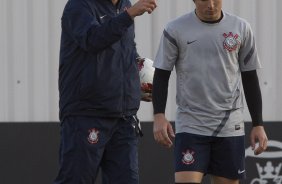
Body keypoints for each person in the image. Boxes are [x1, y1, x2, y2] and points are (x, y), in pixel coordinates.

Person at [152, 0, 268, 184]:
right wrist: (159, 115)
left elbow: (250, 78)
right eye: (205, 0)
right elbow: (161, 75)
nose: (211, 5)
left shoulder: (241, 28)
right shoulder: (175, 29)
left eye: (216, 0)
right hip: (191, 123)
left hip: (229, 126)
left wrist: (258, 124)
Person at [54, 0, 156, 183]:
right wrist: (128, 15)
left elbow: (124, 50)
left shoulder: (125, 4)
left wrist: (135, 78)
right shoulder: (79, 5)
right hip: (86, 114)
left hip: (124, 117)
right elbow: (93, 39)